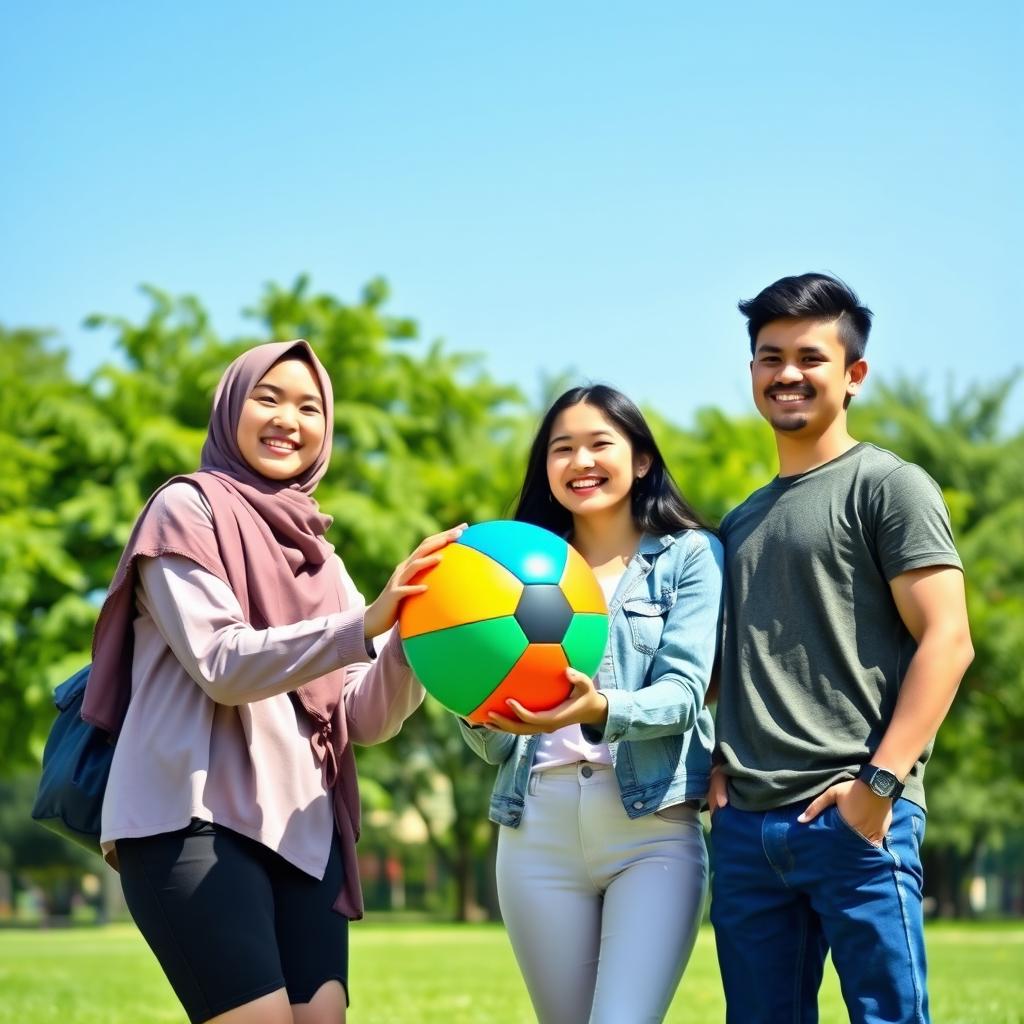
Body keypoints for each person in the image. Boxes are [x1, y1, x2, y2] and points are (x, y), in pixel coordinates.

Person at [82, 340, 463, 1024]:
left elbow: (363, 717)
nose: (290, 418)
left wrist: (415, 633)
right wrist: (364, 622)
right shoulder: (184, 510)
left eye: (310, 406)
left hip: (304, 834)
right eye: (269, 397)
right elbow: (223, 663)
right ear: (232, 408)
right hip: (190, 822)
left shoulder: (323, 559)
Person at [709, 273, 975, 1024]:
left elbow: (948, 641)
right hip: (747, 833)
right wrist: (717, 759)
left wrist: (878, 788)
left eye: (809, 357)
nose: (786, 373)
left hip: (856, 816)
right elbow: (737, 667)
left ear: (853, 375)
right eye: (768, 356)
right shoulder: (739, 522)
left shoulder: (889, 486)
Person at [459, 385, 723, 1024]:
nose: (581, 461)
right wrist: (470, 698)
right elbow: (492, 739)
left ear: (640, 460)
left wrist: (596, 708)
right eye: (562, 448)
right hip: (535, 827)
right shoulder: (507, 566)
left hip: (651, 826)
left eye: (600, 444)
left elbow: (684, 695)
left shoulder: (688, 555)